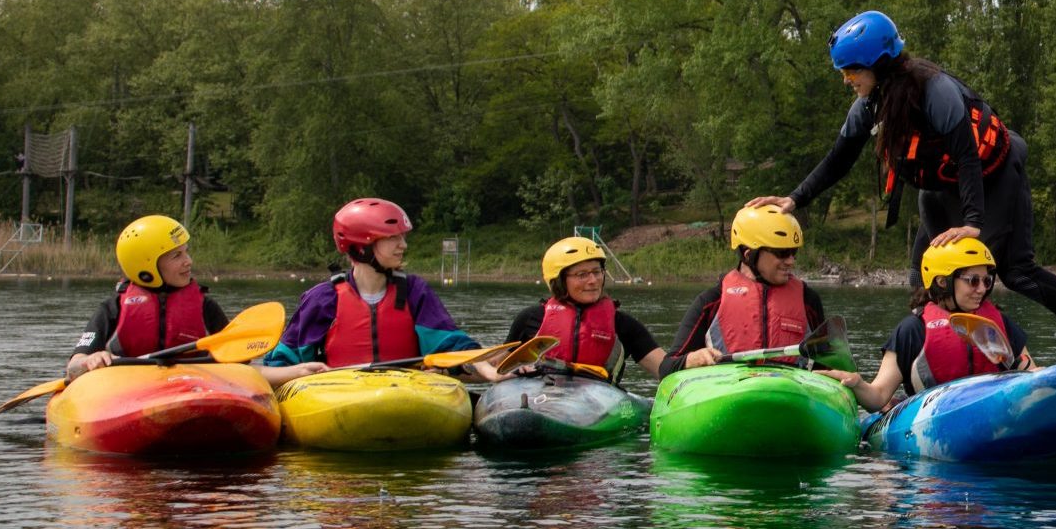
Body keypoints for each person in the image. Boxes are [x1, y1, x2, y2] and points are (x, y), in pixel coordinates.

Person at [745, 10, 1056, 347]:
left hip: (995, 179)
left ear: (878, 64)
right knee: (921, 278)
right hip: (939, 193)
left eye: (851, 71)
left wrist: (973, 223)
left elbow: (967, 157)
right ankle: (927, 365)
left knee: (1013, 272)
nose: (846, 80)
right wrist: (794, 198)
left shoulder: (935, 92)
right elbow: (838, 159)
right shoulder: (868, 106)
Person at [65, 213, 324, 386]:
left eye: (186, 252)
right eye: (176, 256)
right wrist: (90, 360)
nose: (188, 262)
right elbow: (74, 367)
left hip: (196, 385)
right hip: (129, 386)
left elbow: (240, 368)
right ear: (146, 266)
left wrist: (299, 372)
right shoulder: (113, 308)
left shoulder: (205, 306)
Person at [268, 199, 491, 373]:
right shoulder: (323, 299)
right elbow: (281, 364)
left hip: (406, 393)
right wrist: (299, 372)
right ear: (362, 245)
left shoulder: (414, 291)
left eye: (402, 237)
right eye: (393, 237)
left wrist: (487, 367)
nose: (403, 245)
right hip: (338, 397)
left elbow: (452, 345)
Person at [842, 237, 1032, 412]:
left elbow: (1031, 372)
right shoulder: (913, 330)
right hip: (935, 417)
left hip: (996, 410)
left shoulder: (999, 323)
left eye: (987, 280)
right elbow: (878, 396)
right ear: (942, 281)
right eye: (973, 281)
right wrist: (858, 384)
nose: (982, 289)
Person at [660, 204, 832, 377]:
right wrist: (691, 359)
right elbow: (666, 368)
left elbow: (829, 368)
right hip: (730, 391)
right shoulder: (711, 302)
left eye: (794, 252)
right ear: (749, 254)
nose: (790, 261)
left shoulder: (808, 300)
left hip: (791, 393)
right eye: (782, 252)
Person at [499, 236, 667, 383]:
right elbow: (495, 367)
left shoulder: (623, 324)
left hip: (598, 406)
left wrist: (690, 360)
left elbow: (666, 369)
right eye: (582, 275)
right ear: (559, 281)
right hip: (543, 401)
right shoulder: (531, 318)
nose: (593, 280)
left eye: (597, 272)